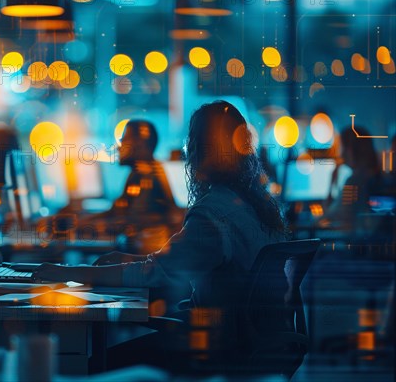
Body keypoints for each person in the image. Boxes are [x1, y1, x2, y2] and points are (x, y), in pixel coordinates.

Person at [35, 100, 288, 318]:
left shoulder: (212, 215)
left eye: (192, 145)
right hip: (253, 340)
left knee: (104, 361)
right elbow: (167, 262)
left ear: (200, 151)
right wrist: (129, 260)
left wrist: (66, 272)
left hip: (216, 346)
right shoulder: (256, 204)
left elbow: (152, 273)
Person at [75, 120, 181, 251]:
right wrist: (80, 222)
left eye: (125, 140)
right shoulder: (138, 173)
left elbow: (130, 221)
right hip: (141, 252)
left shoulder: (148, 174)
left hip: (145, 255)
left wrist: (86, 226)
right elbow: (117, 212)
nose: (119, 147)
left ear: (140, 145)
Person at [321, 126, 383, 229]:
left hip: (348, 240)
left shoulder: (354, 181)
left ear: (349, 150)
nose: (340, 153)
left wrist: (331, 184)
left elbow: (333, 215)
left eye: (341, 147)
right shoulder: (371, 176)